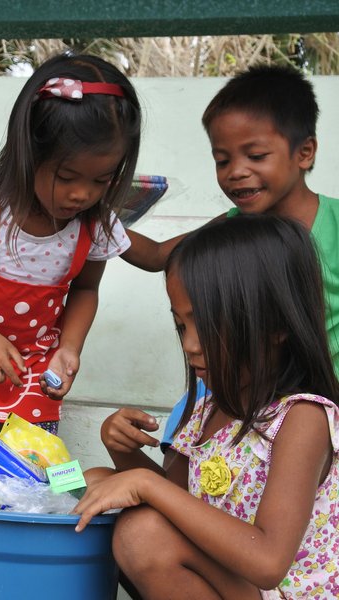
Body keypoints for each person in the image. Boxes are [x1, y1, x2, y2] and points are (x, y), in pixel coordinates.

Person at [75, 214, 339, 599]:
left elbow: (268, 562)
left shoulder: (303, 419)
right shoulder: (207, 409)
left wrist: (144, 484)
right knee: (96, 478)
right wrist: (122, 453)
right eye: (181, 326)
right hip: (235, 587)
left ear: (277, 325)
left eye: (207, 324)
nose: (190, 345)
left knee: (142, 535)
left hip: (283, 592)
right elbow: (176, 502)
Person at [122, 64, 338, 461]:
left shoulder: (336, 227)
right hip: (240, 396)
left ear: (304, 152)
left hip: (319, 407)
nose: (236, 172)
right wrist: (90, 222)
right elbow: (155, 255)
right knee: (183, 472)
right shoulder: (230, 231)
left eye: (255, 155)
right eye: (222, 160)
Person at [0, 53, 142, 442]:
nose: (82, 194)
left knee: (34, 477)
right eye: (67, 176)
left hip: (35, 373)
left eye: (101, 180)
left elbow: (86, 289)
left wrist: (70, 349)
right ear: (30, 149)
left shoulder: (96, 224)